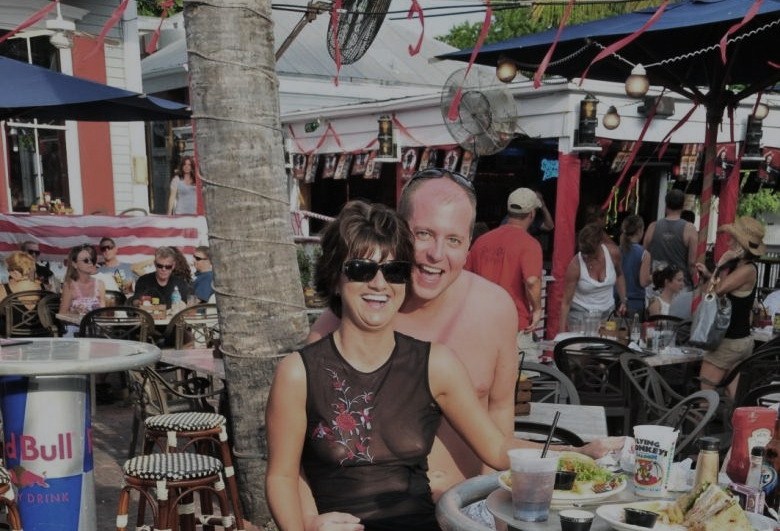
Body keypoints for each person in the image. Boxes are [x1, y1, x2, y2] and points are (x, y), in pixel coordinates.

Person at [308, 170, 623, 511]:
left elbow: (499, 427)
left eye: (454, 240)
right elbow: (302, 456)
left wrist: (496, 510)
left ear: (469, 244)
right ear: (399, 231)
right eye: (424, 234)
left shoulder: (494, 309)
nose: (436, 254)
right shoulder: (352, 318)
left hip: (468, 510)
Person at [267, 200, 515, 530]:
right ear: (335, 277)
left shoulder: (435, 363)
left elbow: (497, 449)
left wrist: (575, 453)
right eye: (361, 269)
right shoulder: (299, 373)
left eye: (394, 271)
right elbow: (282, 475)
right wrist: (307, 526)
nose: (379, 284)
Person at [466, 187, 544, 360]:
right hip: (514, 325)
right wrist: (537, 309)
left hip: (481, 325)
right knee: (524, 374)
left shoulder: (482, 241)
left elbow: (464, 279)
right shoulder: (529, 244)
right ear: (532, 213)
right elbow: (532, 281)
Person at [696, 216, 765, 397]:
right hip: (739, 340)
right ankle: (741, 416)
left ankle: (703, 419)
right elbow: (723, 288)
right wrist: (709, 274)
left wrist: (720, 265)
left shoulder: (747, 269)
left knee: (705, 395)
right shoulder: (742, 267)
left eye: (732, 239)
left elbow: (716, 291)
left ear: (740, 245)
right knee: (734, 396)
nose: (729, 242)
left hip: (729, 342)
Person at [560, 223, 628, 332]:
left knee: (606, 342)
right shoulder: (575, 265)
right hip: (580, 314)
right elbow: (566, 302)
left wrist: (623, 301)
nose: (586, 256)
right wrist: (561, 333)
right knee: (583, 343)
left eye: (590, 252)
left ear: (600, 245)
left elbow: (619, 275)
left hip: (607, 313)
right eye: (583, 252)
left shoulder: (613, 253)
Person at [643, 189, 698, 289]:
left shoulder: (653, 227)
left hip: (656, 286)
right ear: (682, 205)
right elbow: (691, 263)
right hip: (679, 287)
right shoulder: (689, 229)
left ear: (666, 204)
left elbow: (644, 256)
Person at [59, 244, 106, 317]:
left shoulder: (100, 284)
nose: (90, 262)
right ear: (75, 264)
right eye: (86, 260)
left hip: (96, 324)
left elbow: (103, 313)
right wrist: (75, 313)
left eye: (92, 259)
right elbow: (62, 314)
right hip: (77, 324)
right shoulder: (69, 285)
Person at [620, 215, 651, 320]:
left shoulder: (617, 250)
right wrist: (655, 276)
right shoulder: (644, 253)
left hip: (617, 301)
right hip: (635, 303)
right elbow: (643, 282)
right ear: (639, 231)